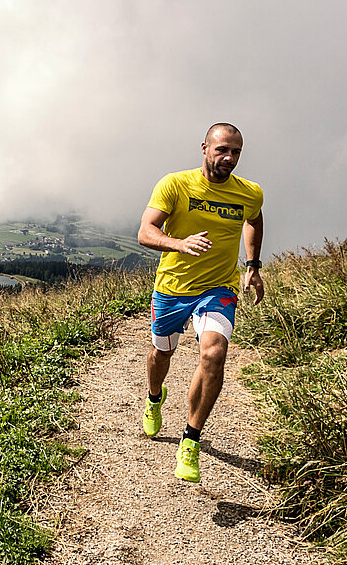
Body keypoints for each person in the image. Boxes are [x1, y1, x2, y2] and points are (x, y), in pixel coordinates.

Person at [136, 122, 265, 483]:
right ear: (205, 148)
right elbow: (145, 231)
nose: (229, 158)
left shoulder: (249, 192)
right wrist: (179, 243)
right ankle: (154, 396)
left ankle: (190, 440)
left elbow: (253, 218)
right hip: (172, 288)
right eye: (222, 149)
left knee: (213, 352)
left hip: (217, 289)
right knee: (162, 354)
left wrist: (252, 264)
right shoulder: (175, 184)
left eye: (236, 152)